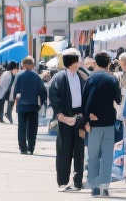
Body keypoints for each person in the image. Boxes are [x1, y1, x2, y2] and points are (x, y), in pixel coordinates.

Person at [83, 51, 121, 197]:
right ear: (108, 63)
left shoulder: (90, 78)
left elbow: (84, 100)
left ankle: (94, 187)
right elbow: (118, 99)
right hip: (109, 123)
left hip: (93, 124)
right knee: (107, 156)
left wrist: (86, 120)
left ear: (95, 63)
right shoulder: (112, 79)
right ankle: (104, 187)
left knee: (93, 156)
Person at [49, 49, 87, 191]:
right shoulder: (59, 77)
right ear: (73, 62)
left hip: (79, 117)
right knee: (64, 150)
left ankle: (78, 181)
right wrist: (61, 116)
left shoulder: (82, 75)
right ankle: (63, 182)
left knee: (79, 151)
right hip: (65, 117)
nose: (79, 62)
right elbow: (53, 96)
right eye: (77, 60)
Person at [13, 55, 47, 154]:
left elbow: (15, 91)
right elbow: (43, 92)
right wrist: (41, 103)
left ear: (23, 65)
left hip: (22, 106)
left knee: (22, 127)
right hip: (33, 106)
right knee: (32, 128)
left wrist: (16, 103)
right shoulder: (36, 77)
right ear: (32, 65)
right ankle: (31, 148)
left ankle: (23, 148)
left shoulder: (19, 76)